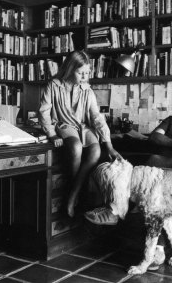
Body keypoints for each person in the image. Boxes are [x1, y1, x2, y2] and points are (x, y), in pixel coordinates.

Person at [84, 86, 172, 225]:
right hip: (157, 169)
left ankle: (116, 211)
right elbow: (154, 136)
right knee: (121, 164)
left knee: (150, 162)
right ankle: (115, 209)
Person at [38, 50, 122, 218]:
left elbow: (96, 117)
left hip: (83, 127)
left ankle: (72, 195)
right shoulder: (53, 85)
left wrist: (109, 145)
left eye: (87, 72)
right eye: (80, 72)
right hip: (63, 125)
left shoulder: (87, 90)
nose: (85, 76)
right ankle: (76, 197)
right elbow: (43, 112)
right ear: (70, 69)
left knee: (96, 151)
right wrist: (52, 134)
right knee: (76, 147)